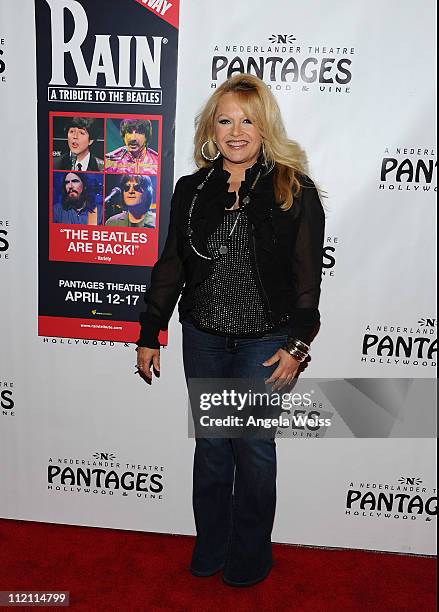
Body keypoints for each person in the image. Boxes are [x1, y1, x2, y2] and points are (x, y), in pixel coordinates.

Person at [136, 74, 325, 587]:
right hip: (204, 339)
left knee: (255, 449)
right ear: (211, 128)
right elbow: (172, 264)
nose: (236, 131)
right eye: (226, 120)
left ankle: (251, 553)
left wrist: (297, 345)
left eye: (248, 119)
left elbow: (308, 282)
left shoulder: (293, 189)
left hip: (264, 341)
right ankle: (212, 543)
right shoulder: (192, 189)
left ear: (265, 127)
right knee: (213, 447)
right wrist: (150, 330)